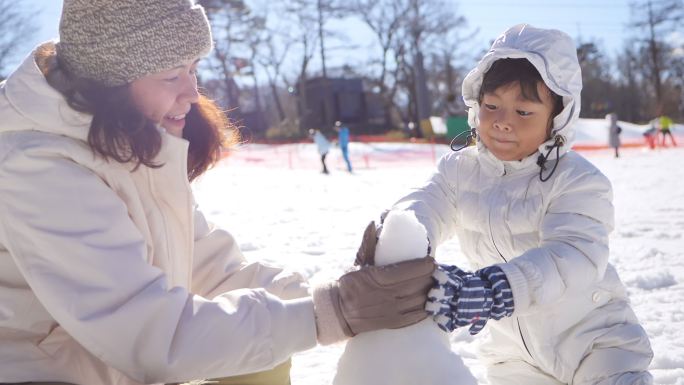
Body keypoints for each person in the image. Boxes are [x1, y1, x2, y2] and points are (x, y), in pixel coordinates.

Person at [0, 1, 435, 384]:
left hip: (119, 369)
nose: (192, 92)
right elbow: (153, 336)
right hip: (46, 375)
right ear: (112, 81)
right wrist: (332, 314)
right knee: (252, 342)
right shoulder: (39, 167)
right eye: (173, 75)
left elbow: (214, 270)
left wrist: (344, 292)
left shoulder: (131, 144)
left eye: (193, 69)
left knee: (258, 353)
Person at [377, 24, 653, 384]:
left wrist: (494, 289)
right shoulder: (460, 171)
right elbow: (425, 203)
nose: (503, 122)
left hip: (593, 342)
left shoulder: (577, 180)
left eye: (523, 112)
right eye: (492, 106)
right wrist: (399, 241)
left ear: (557, 118)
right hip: (513, 355)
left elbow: (573, 253)